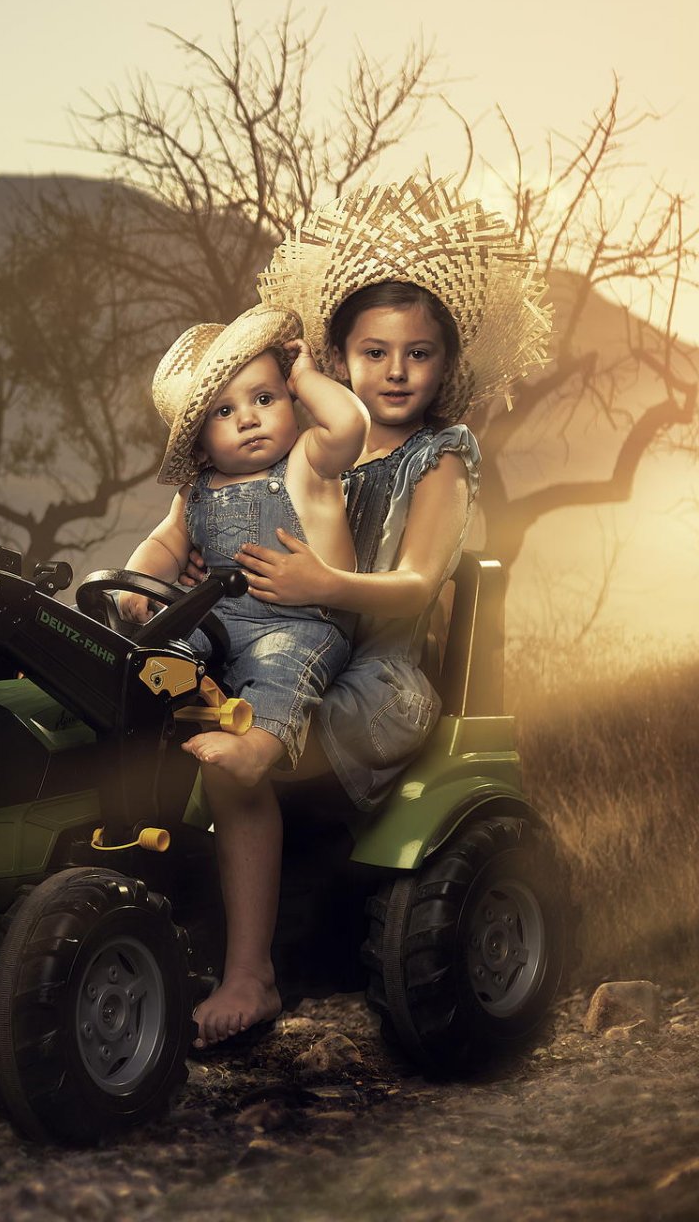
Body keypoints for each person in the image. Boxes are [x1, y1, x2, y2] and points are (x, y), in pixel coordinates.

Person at [182, 176, 553, 1044]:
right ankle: (178, 922)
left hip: (379, 677)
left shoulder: (439, 458)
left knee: (243, 756)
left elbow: (420, 583)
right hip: (287, 645)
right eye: (374, 352)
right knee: (163, 712)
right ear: (337, 360)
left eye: (418, 354)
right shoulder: (304, 447)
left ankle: (252, 972)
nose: (396, 372)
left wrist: (322, 586)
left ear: (446, 364)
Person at [122, 304, 370, 1047]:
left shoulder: (308, 464)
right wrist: (137, 587)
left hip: (299, 630)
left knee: (268, 676)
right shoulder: (194, 495)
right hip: (218, 630)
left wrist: (302, 370)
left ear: (290, 401)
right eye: (225, 412)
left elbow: (349, 426)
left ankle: (261, 735)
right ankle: (178, 714)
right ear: (200, 439)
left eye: (265, 398)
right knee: (160, 652)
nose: (251, 419)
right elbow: (162, 547)